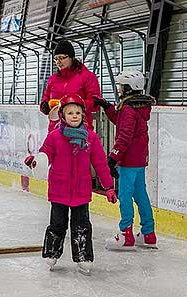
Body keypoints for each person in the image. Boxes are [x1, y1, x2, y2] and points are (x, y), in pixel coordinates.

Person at [24, 94, 118, 275]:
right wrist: (34, 161)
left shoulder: (91, 138)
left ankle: (83, 256)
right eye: (70, 113)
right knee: (57, 224)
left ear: (83, 115)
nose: (74, 116)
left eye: (78, 112)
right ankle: (52, 253)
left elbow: (100, 165)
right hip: (59, 189)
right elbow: (45, 156)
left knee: (81, 225)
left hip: (81, 191)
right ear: (62, 116)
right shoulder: (54, 138)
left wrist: (108, 187)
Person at [94, 70, 157, 250]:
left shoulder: (129, 109)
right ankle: (148, 233)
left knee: (125, 196)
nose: (119, 89)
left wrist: (112, 158)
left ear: (129, 88)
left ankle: (126, 234)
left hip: (128, 161)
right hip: (139, 161)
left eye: (121, 86)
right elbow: (120, 121)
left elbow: (124, 136)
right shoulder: (137, 107)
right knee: (140, 195)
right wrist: (107, 106)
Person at [39, 40, 101, 132]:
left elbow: (95, 103)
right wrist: (45, 106)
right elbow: (45, 98)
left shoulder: (87, 77)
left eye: (62, 58)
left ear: (71, 57)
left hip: (79, 130)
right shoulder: (53, 79)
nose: (58, 62)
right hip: (56, 130)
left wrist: (73, 105)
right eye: (56, 59)